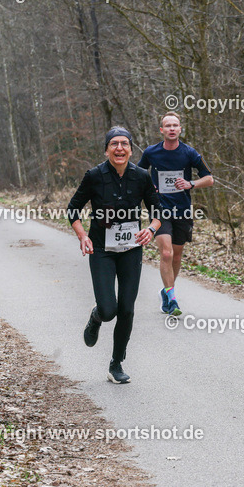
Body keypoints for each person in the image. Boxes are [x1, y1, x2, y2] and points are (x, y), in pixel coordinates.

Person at [67, 127, 162, 384]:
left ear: (131, 149)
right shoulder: (94, 176)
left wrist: (151, 229)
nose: (119, 148)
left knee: (127, 309)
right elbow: (73, 209)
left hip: (131, 250)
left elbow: (158, 211)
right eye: (114, 144)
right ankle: (97, 316)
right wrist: (82, 236)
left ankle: (116, 363)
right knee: (110, 310)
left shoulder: (141, 176)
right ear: (106, 149)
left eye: (124, 144)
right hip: (101, 250)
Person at [138, 111, 213, 316]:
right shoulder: (151, 152)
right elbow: (136, 174)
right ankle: (172, 300)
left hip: (182, 210)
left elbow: (209, 178)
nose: (172, 128)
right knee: (166, 253)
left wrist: (191, 183)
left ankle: (167, 291)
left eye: (175, 125)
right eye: (168, 125)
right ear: (161, 130)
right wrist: (149, 186)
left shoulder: (189, 153)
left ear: (180, 129)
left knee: (177, 256)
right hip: (159, 210)